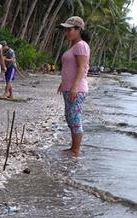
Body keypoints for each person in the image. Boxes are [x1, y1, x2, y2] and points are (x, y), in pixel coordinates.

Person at [57, 16, 90, 157]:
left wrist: (75, 87)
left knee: (74, 118)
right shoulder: (73, 46)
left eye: (69, 30)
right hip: (69, 87)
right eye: (65, 30)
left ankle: (76, 150)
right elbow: (70, 67)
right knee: (69, 116)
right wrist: (63, 83)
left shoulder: (81, 45)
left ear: (78, 30)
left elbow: (82, 68)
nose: (66, 33)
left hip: (77, 88)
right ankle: (73, 147)